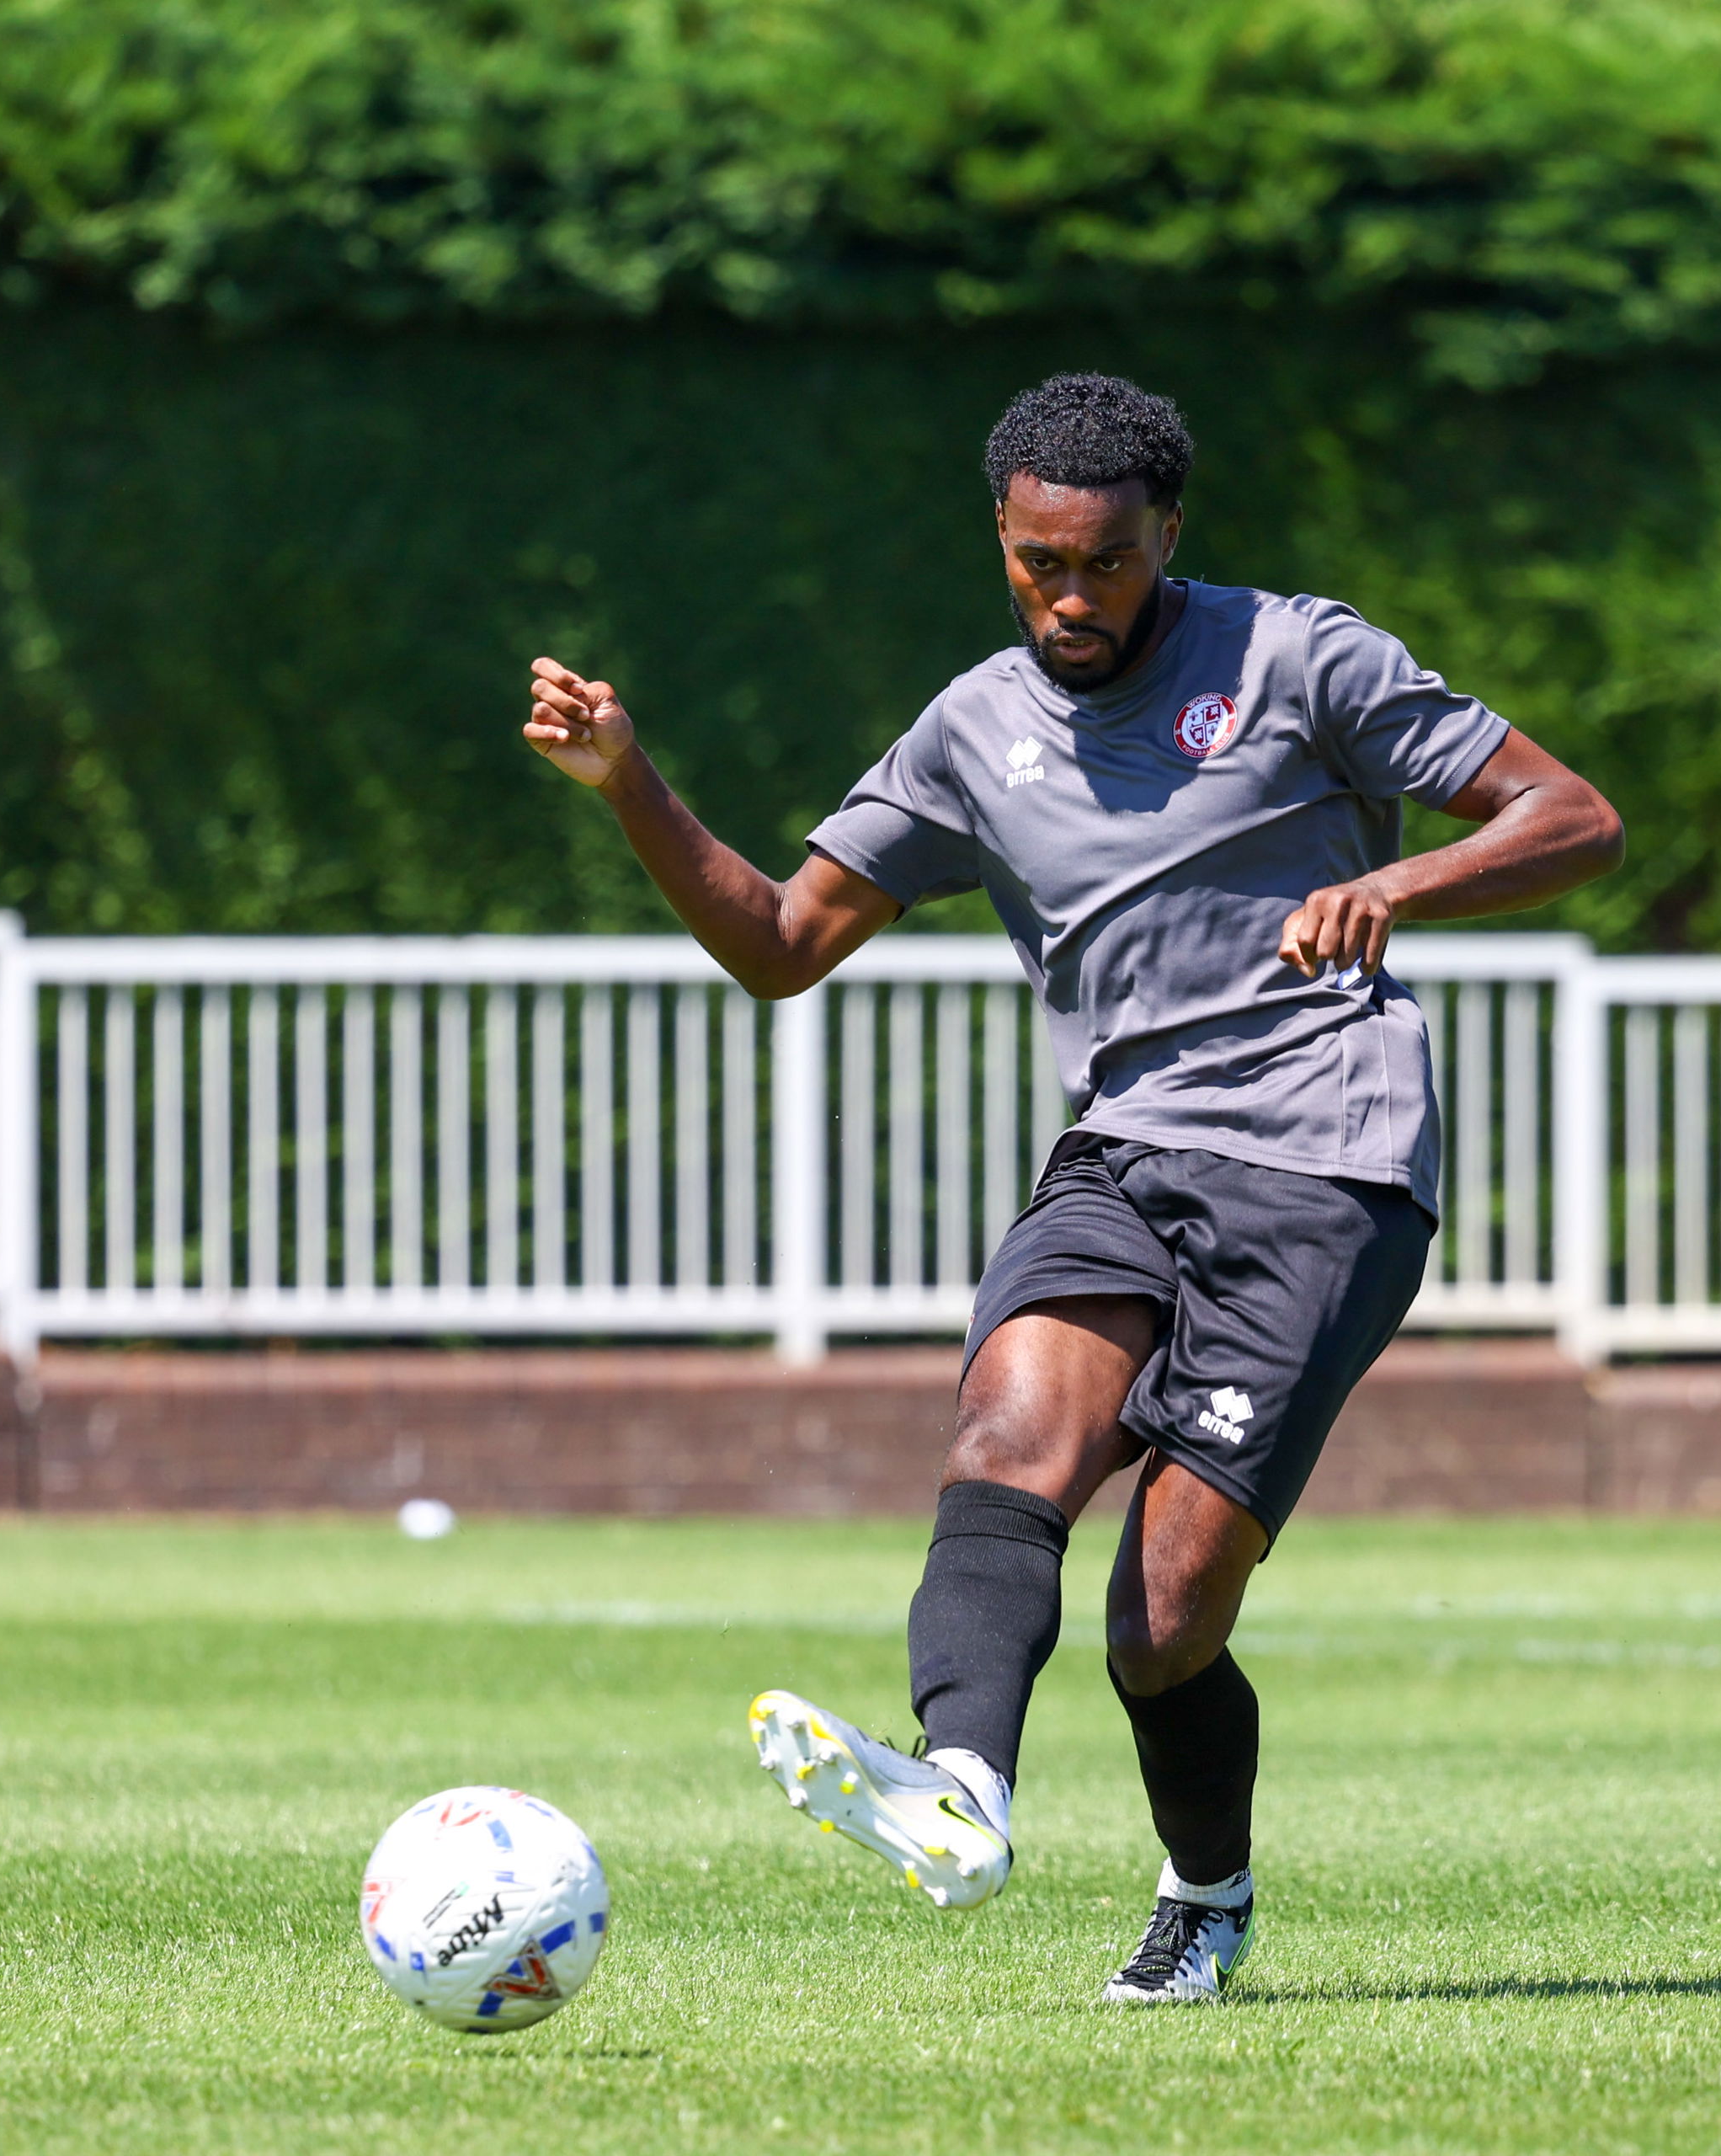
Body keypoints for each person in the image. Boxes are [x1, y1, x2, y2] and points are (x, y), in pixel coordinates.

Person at [525, 373, 1622, 2004]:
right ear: (1000, 538)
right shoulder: (972, 729)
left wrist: (1394, 882)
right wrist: (628, 780)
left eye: (1107, 562)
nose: (1071, 598)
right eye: (1039, 563)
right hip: (1119, 1150)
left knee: (1160, 1620)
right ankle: (961, 1790)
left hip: (1324, 1156)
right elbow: (781, 942)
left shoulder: (1298, 658)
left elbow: (1574, 817)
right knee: (1006, 1436)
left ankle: (1207, 1892)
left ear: (1167, 532)